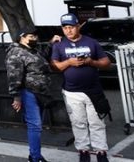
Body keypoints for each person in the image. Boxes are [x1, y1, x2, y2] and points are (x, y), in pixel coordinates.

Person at [51, 14, 111, 162]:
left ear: (78, 26)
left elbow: (106, 63)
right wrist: (69, 62)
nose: (68, 30)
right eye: (65, 28)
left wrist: (91, 62)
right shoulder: (58, 44)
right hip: (71, 92)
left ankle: (101, 151)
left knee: (97, 122)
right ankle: (83, 151)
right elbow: (54, 66)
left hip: (93, 90)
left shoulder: (91, 42)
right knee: (78, 122)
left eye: (71, 27)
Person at [6, 27, 52, 162]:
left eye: (35, 36)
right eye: (31, 37)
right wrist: (16, 96)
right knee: (35, 125)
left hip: (40, 92)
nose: (34, 39)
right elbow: (14, 76)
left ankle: (34, 155)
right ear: (22, 37)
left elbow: (41, 61)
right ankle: (35, 158)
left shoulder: (32, 50)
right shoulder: (16, 53)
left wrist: (50, 44)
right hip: (28, 92)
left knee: (37, 125)